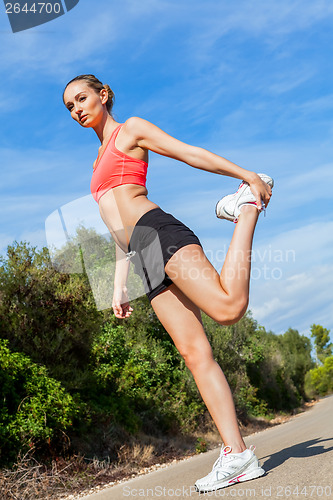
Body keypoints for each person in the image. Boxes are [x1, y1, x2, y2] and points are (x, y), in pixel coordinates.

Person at [62, 74, 273, 492]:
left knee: (228, 309)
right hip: (141, 254)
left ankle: (244, 208)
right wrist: (119, 285)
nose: (77, 110)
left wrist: (247, 175)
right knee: (194, 353)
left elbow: (187, 153)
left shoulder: (131, 130)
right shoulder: (95, 160)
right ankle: (238, 454)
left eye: (82, 98)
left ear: (103, 95)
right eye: (69, 106)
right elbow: (113, 228)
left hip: (155, 231)